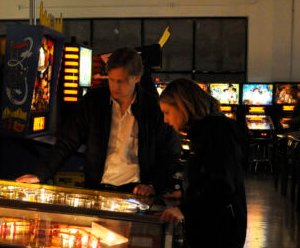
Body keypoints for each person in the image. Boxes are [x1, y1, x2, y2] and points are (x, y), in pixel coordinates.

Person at [157, 78, 247, 248]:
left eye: (168, 113)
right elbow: (210, 182)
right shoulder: (211, 129)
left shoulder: (214, 133)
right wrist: (184, 196)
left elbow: (221, 186)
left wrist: (185, 209)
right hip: (226, 231)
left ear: (183, 107)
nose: (166, 120)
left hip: (218, 235)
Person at [17, 47, 181, 196]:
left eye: (121, 81)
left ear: (137, 78)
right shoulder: (94, 102)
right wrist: (40, 174)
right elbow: (67, 143)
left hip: (136, 192)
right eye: (111, 80)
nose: (115, 87)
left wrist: (153, 185)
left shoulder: (154, 109)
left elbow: (170, 155)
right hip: (97, 190)